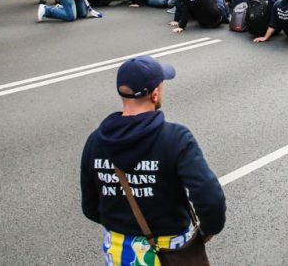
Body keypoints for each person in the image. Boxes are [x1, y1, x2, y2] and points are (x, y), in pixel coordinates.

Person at [80, 56, 226, 265]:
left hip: (121, 253)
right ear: (155, 93)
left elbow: (90, 206)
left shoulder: (96, 141)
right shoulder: (175, 138)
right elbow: (210, 197)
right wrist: (210, 227)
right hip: (172, 250)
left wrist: (122, 224)